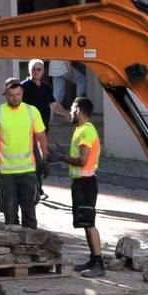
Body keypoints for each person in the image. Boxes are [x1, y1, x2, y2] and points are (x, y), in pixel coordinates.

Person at [0, 80, 47, 228]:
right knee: (10, 212)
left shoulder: (32, 111)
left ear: (22, 93)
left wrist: (44, 160)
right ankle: (13, 247)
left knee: (29, 212)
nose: (15, 98)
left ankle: (31, 246)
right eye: (11, 95)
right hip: (5, 171)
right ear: (5, 95)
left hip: (28, 170)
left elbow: (41, 137)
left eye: (18, 94)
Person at [67, 95, 106, 276]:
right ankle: (93, 259)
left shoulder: (86, 131)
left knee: (89, 223)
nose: (70, 112)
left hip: (86, 182)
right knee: (85, 221)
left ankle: (98, 263)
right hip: (82, 182)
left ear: (78, 110)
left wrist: (61, 157)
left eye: (72, 108)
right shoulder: (81, 129)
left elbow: (82, 160)